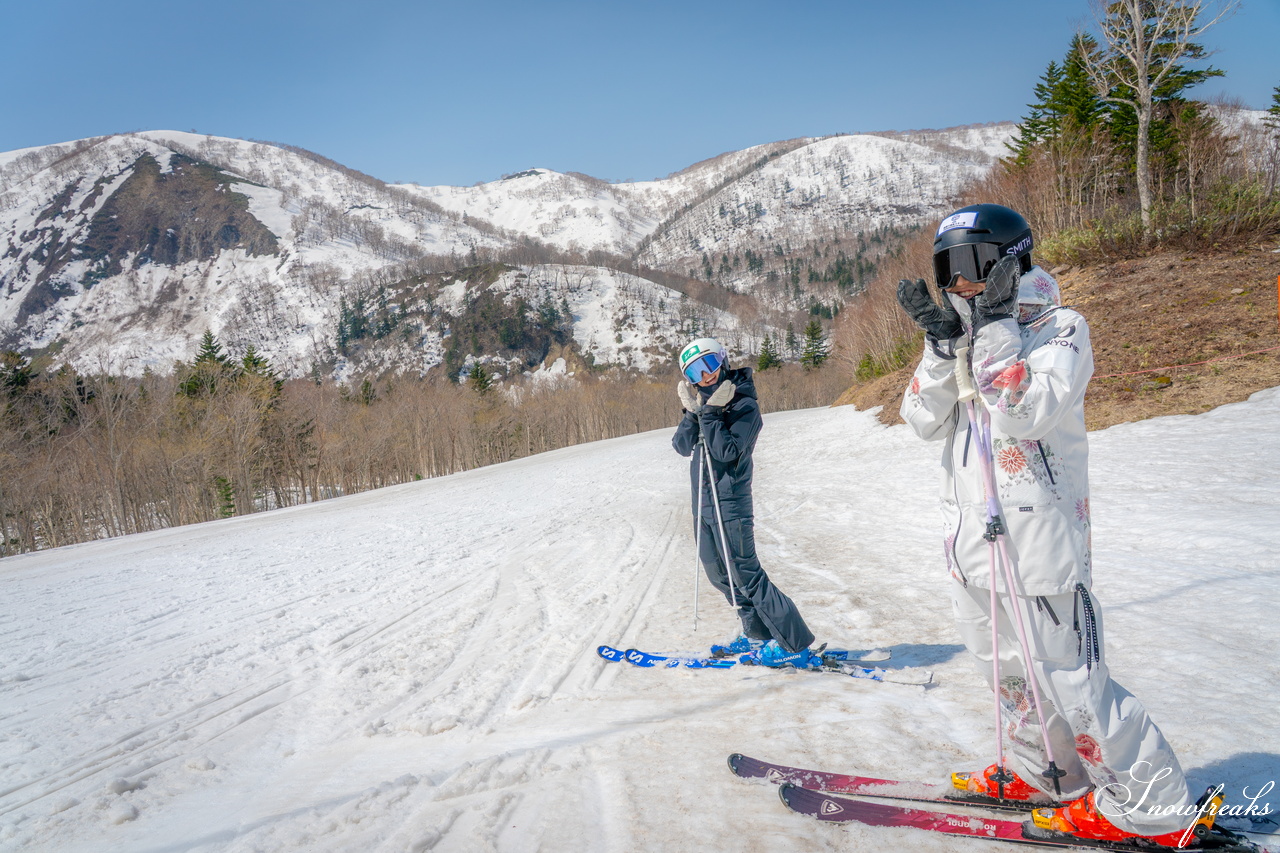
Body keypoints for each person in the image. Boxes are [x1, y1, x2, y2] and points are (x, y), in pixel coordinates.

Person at [896, 204, 1212, 847]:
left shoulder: (1059, 329)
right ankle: (1047, 772)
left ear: (1011, 261)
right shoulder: (962, 339)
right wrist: (941, 347)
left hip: (1040, 545)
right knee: (1007, 672)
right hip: (972, 544)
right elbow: (921, 418)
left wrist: (994, 331)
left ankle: (1154, 809)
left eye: (974, 264)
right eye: (947, 269)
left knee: (1074, 680)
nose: (960, 284)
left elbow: (1023, 410)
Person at [671, 337, 820, 668]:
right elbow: (681, 446)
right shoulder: (702, 406)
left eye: (709, 365)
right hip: (703, 504)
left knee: (746, 574)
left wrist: (710, 415)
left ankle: (795, 643)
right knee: (719, 574)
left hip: (731, 503)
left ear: (723, 361)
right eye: (694, 372)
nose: (705, 375)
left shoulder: (744, 404)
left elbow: (725, 452)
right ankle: (757, 634)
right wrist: (692, 415)